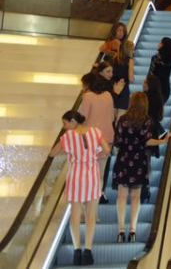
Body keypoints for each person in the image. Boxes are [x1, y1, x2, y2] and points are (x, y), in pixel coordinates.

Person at [49, 110, 111, 266]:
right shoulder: (95, 132)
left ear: (73, 121)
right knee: (91, 214)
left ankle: (77, 251)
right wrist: (95, 155)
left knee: (75, 214)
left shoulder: (67, 137)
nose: (64, 127)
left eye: (65, 123)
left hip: (76, 175)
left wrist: (69, 151)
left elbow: (52, 153)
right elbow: (108, 150)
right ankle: (88, 251)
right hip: (92, 174)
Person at [112, 92, 171, 243]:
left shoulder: (123, 119)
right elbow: (147, 141)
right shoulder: (147, 121)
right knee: (135, 196)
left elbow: (118, 142)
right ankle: (133, 231)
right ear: (144, 104)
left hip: (124, 158)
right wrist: (163, 141)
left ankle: (120, 231)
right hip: (139, 159)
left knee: (121, 196)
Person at [78, 72, 115, 204]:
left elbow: (83, 118)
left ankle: (86, 204)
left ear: (88, 84)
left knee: (87, 173)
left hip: (91, 139)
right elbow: (112, 117)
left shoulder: (88, 96)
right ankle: (95, 203)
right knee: (99, 173)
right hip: (107, 138)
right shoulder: (108, 95)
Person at [141, 74, 166, 203]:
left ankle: (142, 188)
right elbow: (159, 117)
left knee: (141, 160)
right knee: (147, 161)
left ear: (150, 84)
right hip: (152, 132)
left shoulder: (144, 98)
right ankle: (146, 187)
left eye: (145, 82)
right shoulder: (158, 98)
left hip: (142, 131)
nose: (143, 83)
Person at [148, 37, 171, 102]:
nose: (158, 43)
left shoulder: (155, 59)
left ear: (162, 45)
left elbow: (150, 74)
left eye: (160, 42)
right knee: (159, 110)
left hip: (153, 89)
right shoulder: (170, 61)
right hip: (165, 90)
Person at [111, 40, 135, 120]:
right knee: (120, 117)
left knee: (112, 117)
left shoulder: (115, 58)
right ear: (128, 50)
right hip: (124, 89)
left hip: (114, 88)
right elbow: (131, 78)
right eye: (132, 49)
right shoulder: (130, 60)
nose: (134, 51)